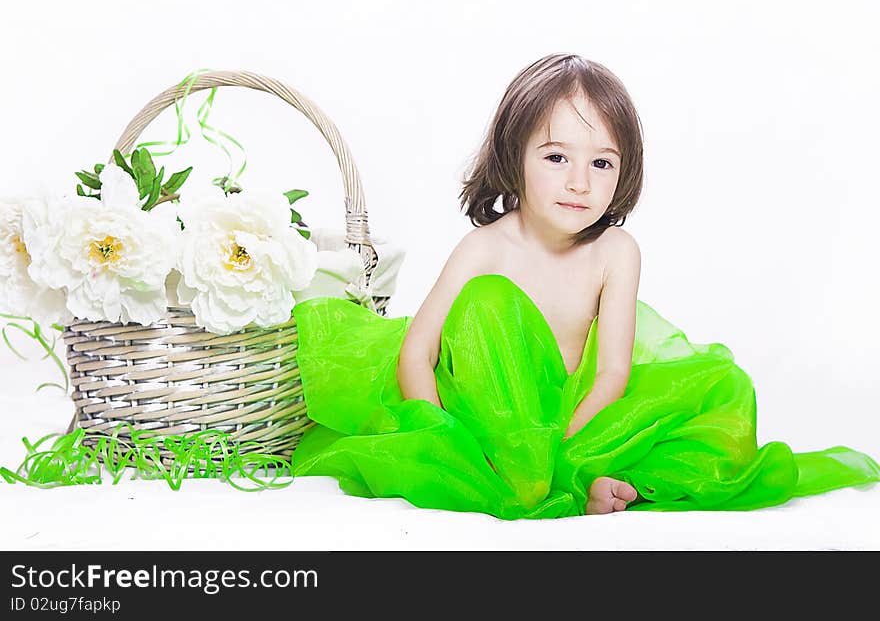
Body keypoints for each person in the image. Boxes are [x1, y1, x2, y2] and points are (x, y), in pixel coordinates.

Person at [289, 53, 879, 520]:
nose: (578, 182)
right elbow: (416, 355)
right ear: (512, 155)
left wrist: (560, 452)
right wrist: (439, 438)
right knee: (489, 301)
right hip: (481, 420)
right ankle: (534, 480)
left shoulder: (614, 251)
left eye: (602, 163)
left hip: (576, 418)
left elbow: (612, 377)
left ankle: (575, 479)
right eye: (555, 157)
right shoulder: (486, 246)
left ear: (624, 173)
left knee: (721, 387)